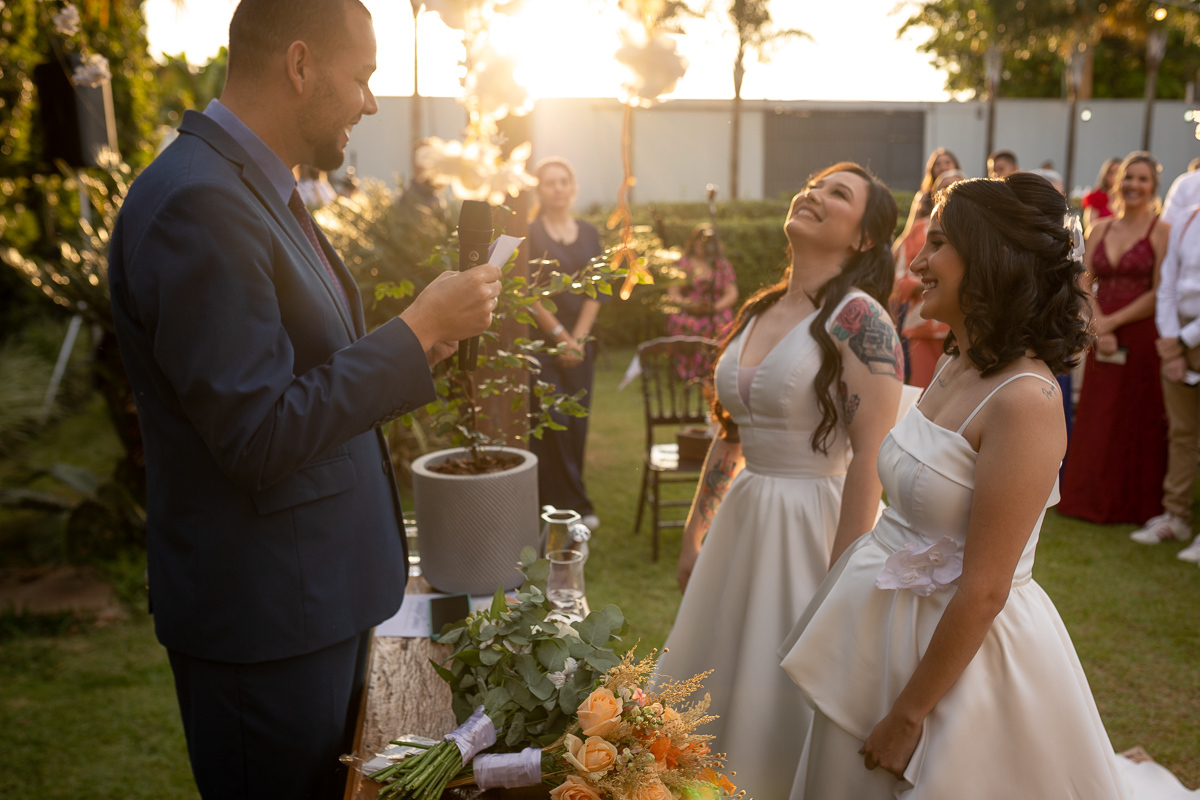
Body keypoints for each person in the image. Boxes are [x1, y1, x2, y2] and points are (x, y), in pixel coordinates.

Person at [106, 2, 502, 797]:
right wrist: (416, 330)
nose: (370, 102)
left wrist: (415, 337)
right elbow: (257, 435)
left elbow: (293, 373)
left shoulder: (245, 186)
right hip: (265, 629)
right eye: (361, 77)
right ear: (298, 66)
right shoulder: (201, 203)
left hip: (310, 603)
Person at [781, 173, 1128, 799]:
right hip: (879, 629)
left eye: (937, 243)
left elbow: (987, 587)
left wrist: (909, 715)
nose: (917, 262)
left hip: (959, 665)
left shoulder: (1026, 400)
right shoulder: (955, 359)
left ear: (989, 258)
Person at [659, 162, 903, 800]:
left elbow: (871, 458)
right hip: (742, 517)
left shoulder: (861, 320)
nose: (815, 194)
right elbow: (732, 433)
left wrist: (842, 578)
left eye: (839, 194)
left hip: (812, 523)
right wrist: (694, 531)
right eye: (815, 185)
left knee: (788, 685)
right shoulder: (763, 308)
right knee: (716, 672)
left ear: (864, 240)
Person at [1059, 152, 1170, 524]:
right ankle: (1087, 498)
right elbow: (1083, 279)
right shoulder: (1101, 228)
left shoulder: (1162, 230)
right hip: (1101, 332)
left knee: (1139, 415)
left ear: (1153, 186)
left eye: (1142, 179)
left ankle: (1135, 505)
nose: (1134, 185)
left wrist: (1113, 322)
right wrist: (1097, 323)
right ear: (1117, 182)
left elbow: (1160, 290)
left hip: (1141, 333)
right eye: (1128, 178)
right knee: (1099, 412)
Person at [527, 156, 606, 531]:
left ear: (572, 188)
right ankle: (570, 505)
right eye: (549, 182)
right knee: (552, 419)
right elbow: (527, 293)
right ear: (539, 189)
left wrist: (578, 340)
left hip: (581, 342)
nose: (557, 188)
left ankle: (569, 501)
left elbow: (596, 291)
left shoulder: (590, 232)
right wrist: (559, 337)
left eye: (563, 182)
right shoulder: (529, 233)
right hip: (543, 344)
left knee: (576, 425)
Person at [1133, 179, 1200, 551]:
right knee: (1182, 434)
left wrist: (1183, 341)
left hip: (1189, 338)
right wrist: (1172, 345)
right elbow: (1168, 286)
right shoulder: (1188, 220)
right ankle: (1177, 517)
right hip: (1179, 340)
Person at [892, 169, 965, 387]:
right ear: (935, 194)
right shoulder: (917, 229)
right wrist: (924, 285)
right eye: (945, 189)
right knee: (921, 394)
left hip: (961, 328)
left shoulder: (977, 233)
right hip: (922, 327)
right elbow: (899, 276)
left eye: (958, 188)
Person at [665, 223, 739, 381]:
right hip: (689, 310)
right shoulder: (682, 264)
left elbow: (731, 293)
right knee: (685, 322)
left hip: (715, 311)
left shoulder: (721, 266)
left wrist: (715, 307)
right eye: (698, 240)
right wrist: (689, 305)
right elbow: (673, 292)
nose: (700, 245)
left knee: (722, 323)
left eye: (705, 242)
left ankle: (716, 370)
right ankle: (688, 371)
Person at [1083, 157, 1121, 232]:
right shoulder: (1096, 197)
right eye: (1112, 172)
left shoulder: (1128, 199)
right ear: (1106, 175)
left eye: (1119, 173)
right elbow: (1090, 226)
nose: (1115, 176)